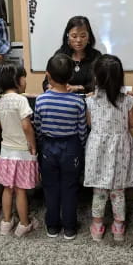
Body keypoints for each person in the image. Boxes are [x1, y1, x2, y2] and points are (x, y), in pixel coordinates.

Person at [83, 54, 133, 242]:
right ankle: (118, 227)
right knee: (118, 191)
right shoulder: (128, 100)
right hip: (120, 149)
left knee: (99, 191)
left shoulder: (90, 100)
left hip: (98, 148)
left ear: (96, 78)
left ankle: (98, 226)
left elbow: (90, 123)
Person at [34, 54, 87, 240]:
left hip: (48, 147)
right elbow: (82, 130)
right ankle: (70, 228)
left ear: (48, 76)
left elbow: (38, 127)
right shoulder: (78, 101)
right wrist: (80, 147)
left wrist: (43, 143)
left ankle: (52, 226)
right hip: (71, 147)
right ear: (71, 76)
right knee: (70, 187)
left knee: (50, 187)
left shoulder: (40, 100)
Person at [0, 63, 38, 237]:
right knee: (20, 190)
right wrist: (32, 144)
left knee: (7, 188)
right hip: (21, 151)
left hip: (6, 152)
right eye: (24, 77)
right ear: (18, 80)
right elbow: (27, 126)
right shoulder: (21, 100)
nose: (25, 81)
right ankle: (24, 224)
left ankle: (6, 222)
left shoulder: (0, 101)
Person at [42, 16, 101, 93]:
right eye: (74, 36)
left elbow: (99, 84)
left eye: (83, 36)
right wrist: (52, 86)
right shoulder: (60, 54)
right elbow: (46, 82)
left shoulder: (96, 56)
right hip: (63, 101)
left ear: (89, 36)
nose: (79, 40)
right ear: (68, 36)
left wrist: (78, 88)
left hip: (88, 102)